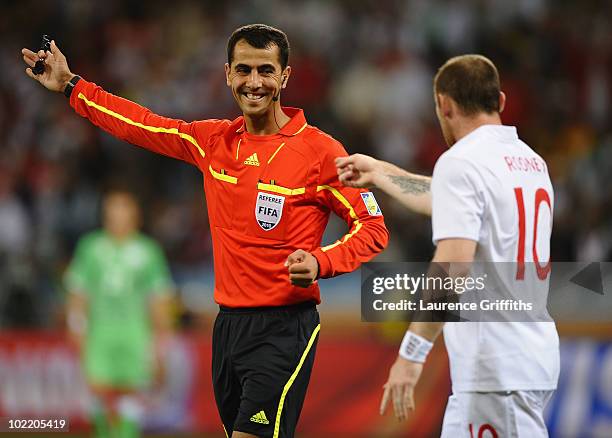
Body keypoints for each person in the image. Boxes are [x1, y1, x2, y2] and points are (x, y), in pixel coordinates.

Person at [24, 24, 389, 438]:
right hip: (228, 326)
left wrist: (323, 261)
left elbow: (372, 228)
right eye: (244, 70)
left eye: (266, 71)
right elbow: (141, 124)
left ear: (285, 77)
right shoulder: (213, 141)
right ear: (228, 74)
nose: (255, 82)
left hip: (284, 327)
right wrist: (72, 86)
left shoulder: (320, 152)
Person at [336, 55, 559, 437]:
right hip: (525, 354)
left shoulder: (461, 163)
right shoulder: (530, 161)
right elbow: (452, 198)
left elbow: (454, 263)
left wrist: (411, 355)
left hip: (494, 365)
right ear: (500, 101)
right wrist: (382, 173)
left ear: (444, 105)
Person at [65, 189, 174, 438]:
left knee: (132, 390)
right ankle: (104, 433)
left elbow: (159, 299)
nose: (118, 216)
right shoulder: (90, 247)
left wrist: (161, 341)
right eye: (113, 210)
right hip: (99, 331)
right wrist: (76, 326)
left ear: (135, 215)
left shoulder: (149, 251)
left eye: (123, 209)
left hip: (135, 332)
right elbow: (78, 291)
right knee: (97, 389)